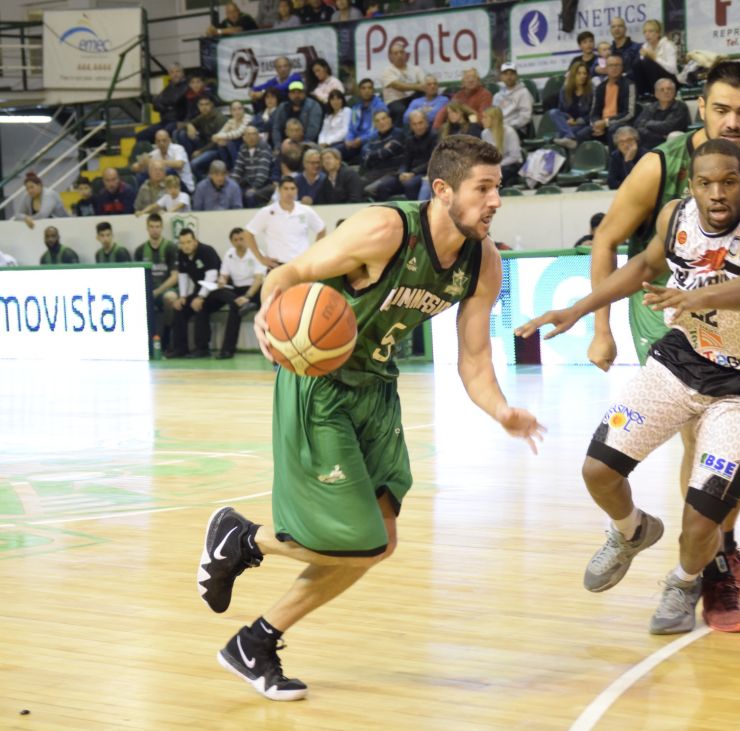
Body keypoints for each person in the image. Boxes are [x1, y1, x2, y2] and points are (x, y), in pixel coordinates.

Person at [196, 135, 544, 701]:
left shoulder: (484, 262)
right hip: (321, 386)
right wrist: (269, 311)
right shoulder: (386, 229)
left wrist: (501, 410)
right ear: (443, 190)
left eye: (497, 188)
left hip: (378, 388)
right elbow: (291, 273)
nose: (495, 200)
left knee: (381, 541)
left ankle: (254, 641)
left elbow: (475, 360)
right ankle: (245, 538)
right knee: (354, 540)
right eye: (483, 188)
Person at [515, 138, 740, 635]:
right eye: (706, 183)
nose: (717, 193)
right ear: (691, 185)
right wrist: (578, 310)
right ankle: (631, 531)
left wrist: (699, 295)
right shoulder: (675, 217)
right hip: (681, 361)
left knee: (701, 522)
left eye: (729, 182)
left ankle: (684, 582)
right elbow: (646, 266)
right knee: (598, 470)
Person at [586, 61, 740, 626]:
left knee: (738, 456)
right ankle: (710, 570)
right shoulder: (661, 164)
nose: (733, 122)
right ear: (701, 109)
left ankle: (715, 547)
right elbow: (610, 240)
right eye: (722, 109)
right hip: (669, 315)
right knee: (697, 439)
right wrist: (599, 326)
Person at [245, 175, 326, 269]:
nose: (289, 192)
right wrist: (261, 258)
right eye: (286, 188)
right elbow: (248, 234)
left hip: (302, 265)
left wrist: (314, 253)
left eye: (292, 188)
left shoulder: (305, 211)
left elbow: (321, 230)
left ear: (297, 190)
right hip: (277, 265)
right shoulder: (267, 212)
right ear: (279, 190)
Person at [209, 227, 266, 359]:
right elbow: (224, 275)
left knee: (235, 308)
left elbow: (258, 279)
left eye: (241, 239)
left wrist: (247, 297)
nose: (239, 242)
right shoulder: (229, 254)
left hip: (254, 290)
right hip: (236, 292)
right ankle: (241, 304)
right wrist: (221, 280)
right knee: (219, 292)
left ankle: (227, 350)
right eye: (236, 240)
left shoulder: (256, 253)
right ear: (231, 242)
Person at [168, 229, 222, 358]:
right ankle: (180, 348)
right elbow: (183, 276)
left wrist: (200, 297)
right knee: (180, 307)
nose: (185, 246)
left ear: (195, 241)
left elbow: (212, 276)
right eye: (182, 243)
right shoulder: (182, 254)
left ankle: (202, 349)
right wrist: (182, 296)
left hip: (217, 291)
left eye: (188, 242)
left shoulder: (207, 251)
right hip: (200, 291)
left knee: (200, 306)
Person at [134, 213, 179, 344]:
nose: (155, 230)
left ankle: (167, 335)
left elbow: (175, 277)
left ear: (162, 228)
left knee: (170, 297)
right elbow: (137, 277)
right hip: (148, 290)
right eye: (152, 226)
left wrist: (157, 291)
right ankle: (142, 339)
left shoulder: (171, 247)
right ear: (147, 228)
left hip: (166, 289)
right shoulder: (140, 250)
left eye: (158, 226)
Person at [338, 78, 389, 164]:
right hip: (355, 142)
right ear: (359, 91)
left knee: (365, 151)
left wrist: (361, 140)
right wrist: (348, 140)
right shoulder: (355, 108)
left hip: (372, 140)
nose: (367, 91)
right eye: (363, 88)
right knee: (336, 150)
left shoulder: (380, 107)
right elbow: (351, 129)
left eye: (369, 88)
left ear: (373, 90)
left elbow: (380, 131)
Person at [590, 55, 636, 146]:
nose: (614, 68)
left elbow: (629, 113)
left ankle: (613, 156)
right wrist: (596, 124)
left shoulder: (629, 85)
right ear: (606, 68)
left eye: (617, 65)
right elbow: (594, 112)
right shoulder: (600, 87)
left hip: (620, 123)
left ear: (622, 68)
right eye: (611, 65)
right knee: (581, 134)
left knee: (613, 130)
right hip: (601, 124)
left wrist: (606, 122)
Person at [631, 78, 689, 150]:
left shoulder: (680, 106)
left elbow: (668, 127)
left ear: (674, 91)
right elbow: (638, 126)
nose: (666, 92)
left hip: (672, 143)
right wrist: (660, 136)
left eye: (669, 89)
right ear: (656, 94)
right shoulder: (650, 107)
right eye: (662, 90)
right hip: (650, 141)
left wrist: (648, 123)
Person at [360, 110, 407, 197]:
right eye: (377, 121)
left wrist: (372, 154)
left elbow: (387, 153)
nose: (381, 122)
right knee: (356, 185)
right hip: (376, 171)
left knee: (370, 189)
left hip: (393, 172)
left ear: (390, 119)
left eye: (384, 118)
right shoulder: (373, 138)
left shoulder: (398, 134)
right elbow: (364, 155)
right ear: (375, 124)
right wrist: (379, 152)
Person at [136, 63, 188, 143]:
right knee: (141, 135)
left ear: (182, 73)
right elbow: (155, 103)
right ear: (169, 74)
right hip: (164, 121)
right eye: (172, 72)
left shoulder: (186, 87)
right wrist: (167, 106)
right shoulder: (169, 87)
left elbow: (174, 100)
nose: (175, 74)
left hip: (178, 121)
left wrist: (163, 104)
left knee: (163, 133)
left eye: (177, 71)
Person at [551, 61, 595, 150]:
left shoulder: (591, 91)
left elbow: (593, 114)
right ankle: (569, 136)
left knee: (562, 134)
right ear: (573, 75)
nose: (582, 76)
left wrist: (576, 122)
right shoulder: (565, 90)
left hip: (583, 123)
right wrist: (567, 120)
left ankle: (567, 136)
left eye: (584, 73)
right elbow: (561, 110)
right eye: (579, 73)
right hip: (569, 120)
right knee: (553, 112)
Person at [381, 41, 426, 125]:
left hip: (412, 98)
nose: (399, 55)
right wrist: (417, 86)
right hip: (395, 100)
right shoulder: (387, 71)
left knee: (423, 97)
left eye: (401, 52)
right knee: (400, 110)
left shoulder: (415, 69)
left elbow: (424, 83)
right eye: (396, 53)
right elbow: (398, 86)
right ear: (391, 56)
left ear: (405, 54)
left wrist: (420, 86)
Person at [632, 19, 678, 99]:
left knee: (648, 61)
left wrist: (655, 58)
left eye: (650, 31)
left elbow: (672, 69)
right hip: (652, 82)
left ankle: (656, 93)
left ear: (658, 33)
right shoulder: (645, 47)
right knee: (637, 63)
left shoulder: (668, 45)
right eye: (645, 32)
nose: (647, 34)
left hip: (669, 79)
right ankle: (643, 94)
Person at [272, 80, 323, 151]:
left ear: (304, 94)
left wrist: (301, 145)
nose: (296, 95)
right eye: (293, 93)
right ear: (289, 95)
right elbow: (276, 128)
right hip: (285, 144)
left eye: (299, 92)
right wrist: (278, 146)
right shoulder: (282, 107)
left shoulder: (313, 106)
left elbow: (313, 129)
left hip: (307, 144)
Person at [233, 125, 277, 208]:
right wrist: (231, 185)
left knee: (251, 196)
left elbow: (262, 172)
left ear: (258, 136)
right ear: (244, 138)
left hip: (266, 184)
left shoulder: (264, 147)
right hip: (249, 183)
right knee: (235, 194)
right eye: (248, 135)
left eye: (254, 134)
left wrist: (254, 187)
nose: (251, 137)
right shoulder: (243, 148)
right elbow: (237, 170)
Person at [480, 106, 522, 187]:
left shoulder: (509, 132)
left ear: (494, 119)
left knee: (496, 176)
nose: (482, 120)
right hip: (495, 165)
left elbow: (515, 156)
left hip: (512, 165)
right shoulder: (484, 133)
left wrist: (498, 164)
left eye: (485, 117)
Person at [492, 62, 534, 138]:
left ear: (516, 76)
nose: (509, 77)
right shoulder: (497, 96)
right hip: (500, 128)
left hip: (518, 129)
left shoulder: (524, 93)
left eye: (512, 74)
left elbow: (525, 117)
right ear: (501, 77)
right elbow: (494, 115)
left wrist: (508, 125)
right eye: (505, 74)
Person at [212, 100, 253, 167]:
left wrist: (218, 136)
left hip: (247, 143)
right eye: (234, 110)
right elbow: (221, 132)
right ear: (231, 112)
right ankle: (226, 167)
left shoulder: (248, 118)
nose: (237, 112)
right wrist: (218, 137)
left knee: (229, 143)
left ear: (243, 109)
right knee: (220, 143)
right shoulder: (231, 121)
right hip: (236, 143)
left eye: (239, 109)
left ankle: (237, 167)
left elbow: (238, 133)